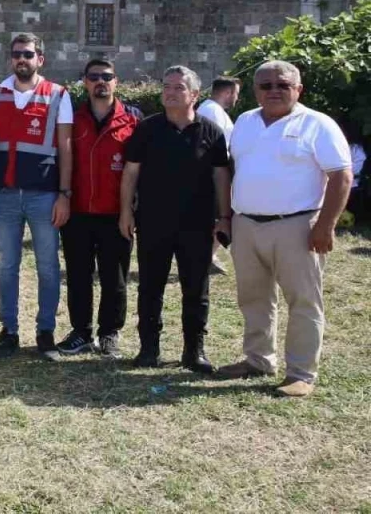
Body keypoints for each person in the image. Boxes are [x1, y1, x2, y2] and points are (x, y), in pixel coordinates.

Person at [218, 60, 353, 397]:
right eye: (266, 85)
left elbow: (341, 175)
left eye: (283, 85)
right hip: (247, 224)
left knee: (303, 301)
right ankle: (258, 359)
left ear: (298, 89)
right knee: (253, 298)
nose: (274, 91)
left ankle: (300, 373)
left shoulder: (317, 124)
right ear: (255, 90)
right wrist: (227, 217)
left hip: (297, 225)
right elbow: (235, 168)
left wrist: (326, 226)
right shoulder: (245, 121)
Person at [119, 66, 230, 374]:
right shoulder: (147, 128)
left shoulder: (211, 131)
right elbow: (130, 173)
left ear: (194, 94)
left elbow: (221, 177)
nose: (169, 92)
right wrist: (126, 211)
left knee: (196, 289)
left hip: (197, 224)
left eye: (178, 87)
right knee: (150, 287)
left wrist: (225, 217)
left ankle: (194, 352)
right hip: (153, 222)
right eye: (166, 86)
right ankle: (148, 349)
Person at [0, 33, 73, 361]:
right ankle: (8, 331)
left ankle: (45, 332)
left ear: (40, 59)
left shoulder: (58, 94)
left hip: (44, 195)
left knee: (48, 267)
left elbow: (65, 147)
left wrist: (64, 194)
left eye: (28, 54)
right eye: (16, 54)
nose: (21, 59)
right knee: (7, 266)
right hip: (7, 195)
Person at [57, 59, 140, 359]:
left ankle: (109, 333)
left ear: (116, 81)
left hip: (116, 214)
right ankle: (81, 332)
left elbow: (139, 169)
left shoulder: (133, 120)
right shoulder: (72, 119)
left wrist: (131, 210)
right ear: (85, 82)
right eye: (94, 77)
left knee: (114, 278)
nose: (100, 82)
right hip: (78, 211)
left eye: (106, 76)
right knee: (78, 276)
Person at [198, 76, 240, 275]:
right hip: (213, 173)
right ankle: (206, 256)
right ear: (229, 92)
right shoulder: (211, 111)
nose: (237, 98)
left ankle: (209, 255)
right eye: (236, 93)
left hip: (219, 171)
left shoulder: (214, 110)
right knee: (219, 216)